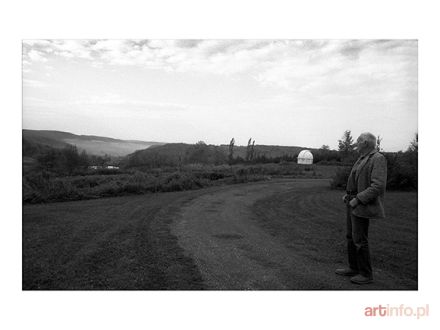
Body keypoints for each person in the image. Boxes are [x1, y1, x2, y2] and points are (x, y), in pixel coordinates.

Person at [335, 132, 387, 284]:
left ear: (365, 143)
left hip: (361, 204)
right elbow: (356, 181)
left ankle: (366, 274)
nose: (355, 143)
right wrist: (349, 195)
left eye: (358, 141)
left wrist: (358, 199)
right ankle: (353, 268)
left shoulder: (378, 158)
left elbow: (377, 185)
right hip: (352, 201)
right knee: (351, 237)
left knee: (359, 239)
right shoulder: (362, 158)